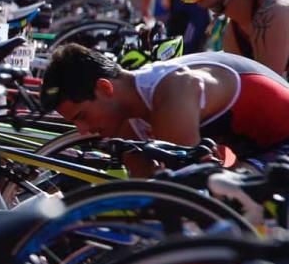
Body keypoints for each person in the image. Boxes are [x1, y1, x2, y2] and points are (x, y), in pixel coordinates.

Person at [41, 43, 289, 173]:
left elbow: (190, 195)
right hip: (255, 151)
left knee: (229, 200)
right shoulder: (125, 119)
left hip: (280, 144)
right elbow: (146, 187)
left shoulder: (171, 93)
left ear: (105, 88)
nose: (83, 131)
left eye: (82, 116)